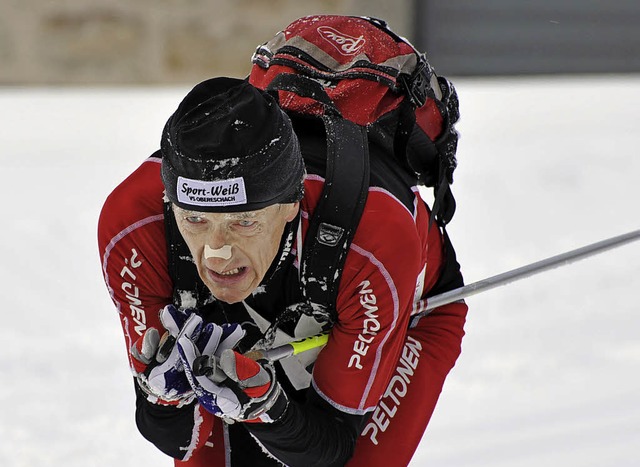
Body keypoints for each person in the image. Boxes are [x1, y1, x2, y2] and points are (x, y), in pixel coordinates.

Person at [98, 76, 467, 466]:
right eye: (195, 220)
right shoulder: (133, 227)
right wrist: (163, 399)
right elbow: (180, 442)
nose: (217, 254)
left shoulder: (373, 240)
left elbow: (334, 446)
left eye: (244, 223)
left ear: (290, 205)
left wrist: (269, 410)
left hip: (396, 305)